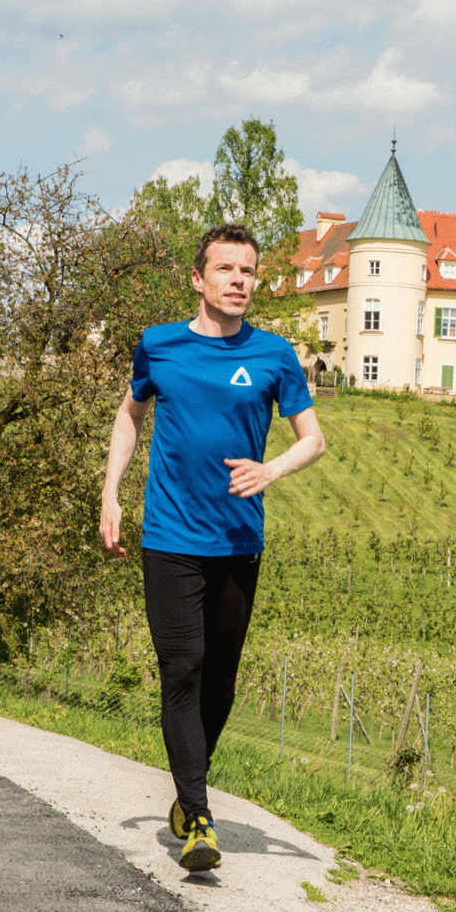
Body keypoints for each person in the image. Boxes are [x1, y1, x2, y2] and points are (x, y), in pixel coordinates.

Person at [101, 223, 325, 872]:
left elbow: (312, 438)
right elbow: (129, 414)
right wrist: (111, 492)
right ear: (198, 279)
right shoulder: (159, 345)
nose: (238, 280)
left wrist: (271, 470)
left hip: (238, 540)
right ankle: (197, 813)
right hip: (169, 537)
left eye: (247, 271)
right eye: (225, 269)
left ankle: (188, 783)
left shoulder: (275, 355)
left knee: (221, 682)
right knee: (184, 668)